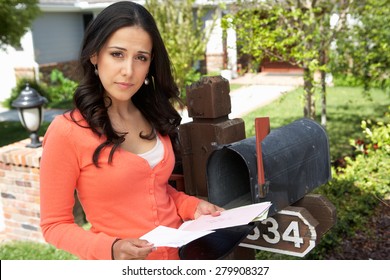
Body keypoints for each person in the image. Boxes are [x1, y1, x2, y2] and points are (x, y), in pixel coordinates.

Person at [39, 1, 223, 260]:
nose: (128, 71)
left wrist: (192, 206)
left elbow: (153, 189)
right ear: (94, 55)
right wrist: (111, 249)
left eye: (141, 58)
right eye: (117, 54)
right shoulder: (67, 132)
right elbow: (54, 225)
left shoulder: (152, 115)